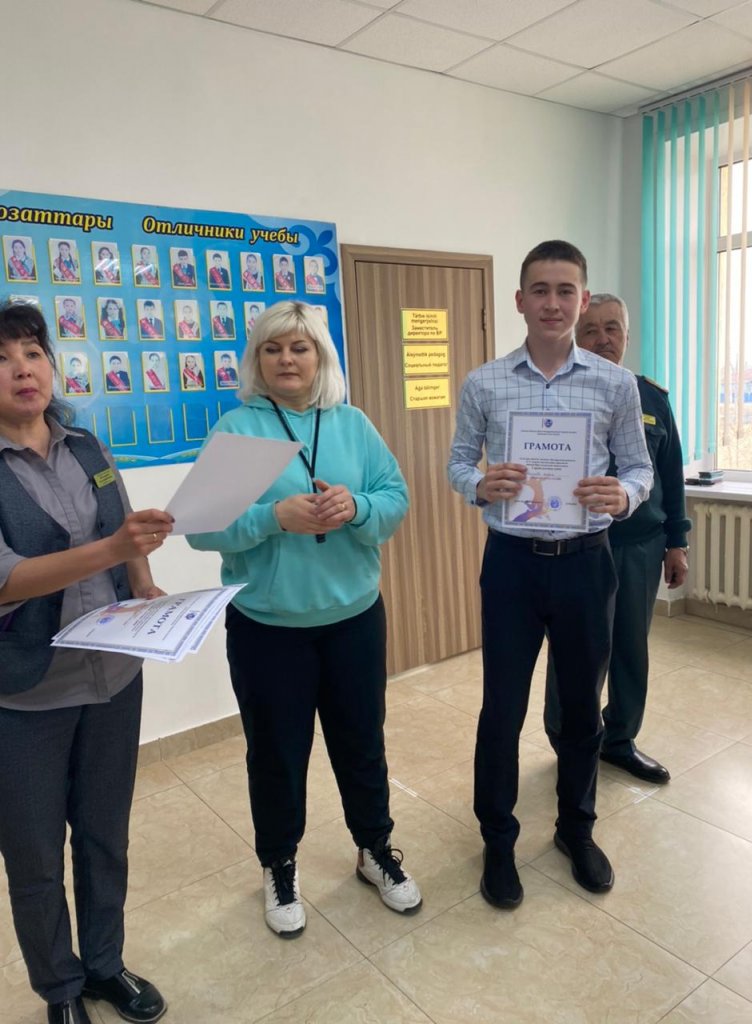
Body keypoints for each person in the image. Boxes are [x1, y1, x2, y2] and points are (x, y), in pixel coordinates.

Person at [187, 301, 422, 939]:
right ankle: (279, 865)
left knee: (362, 743)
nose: (286, 360)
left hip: (354, 619)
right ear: (257, 360)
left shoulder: (351, 424)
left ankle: (374, 850)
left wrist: (358, 507)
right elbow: (202, 531)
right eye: (273, 349)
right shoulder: (240, 429)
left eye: (300, 348)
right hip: (268, 628)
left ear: (320, 357)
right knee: (276, 754)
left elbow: (395, 500)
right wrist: (272, 518)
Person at [448, 240, 652, 908]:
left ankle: (576, 829)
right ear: (520, 300)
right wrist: (480, 484)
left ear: (583, 300)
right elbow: (457, 463)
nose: (553, 303)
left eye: (566, 291)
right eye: (540, 290)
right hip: (511, 565)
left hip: (586, 563)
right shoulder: (484, 382)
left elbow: (639, 468)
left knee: (582, 711)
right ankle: (498, 841)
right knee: (501, 710)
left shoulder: (615, 384)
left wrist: (623, 495)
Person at [0, 301, 172, 1024]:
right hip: (25, 695)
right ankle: (61, 990)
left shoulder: (88, 447)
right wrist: (113, 549)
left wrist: (146, 587)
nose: (21, 369)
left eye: (32, 353)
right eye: (2, 359)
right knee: (35, 857)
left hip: (113, 677)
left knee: (105, 836)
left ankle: (104, 965)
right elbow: (7, 581)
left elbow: (124, 535)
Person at [544, 294, 690, 785]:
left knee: (630, 648)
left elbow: (670, 475)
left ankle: (620, 740)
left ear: (627, 335)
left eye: (612, 329)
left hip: (638, 546)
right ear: (575, 335)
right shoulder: (556, 393)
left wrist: (677, 542)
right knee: (573, 651)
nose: (602, 339)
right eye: (590, 330)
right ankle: (568, 741)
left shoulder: (652, 399)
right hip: (574, 547)